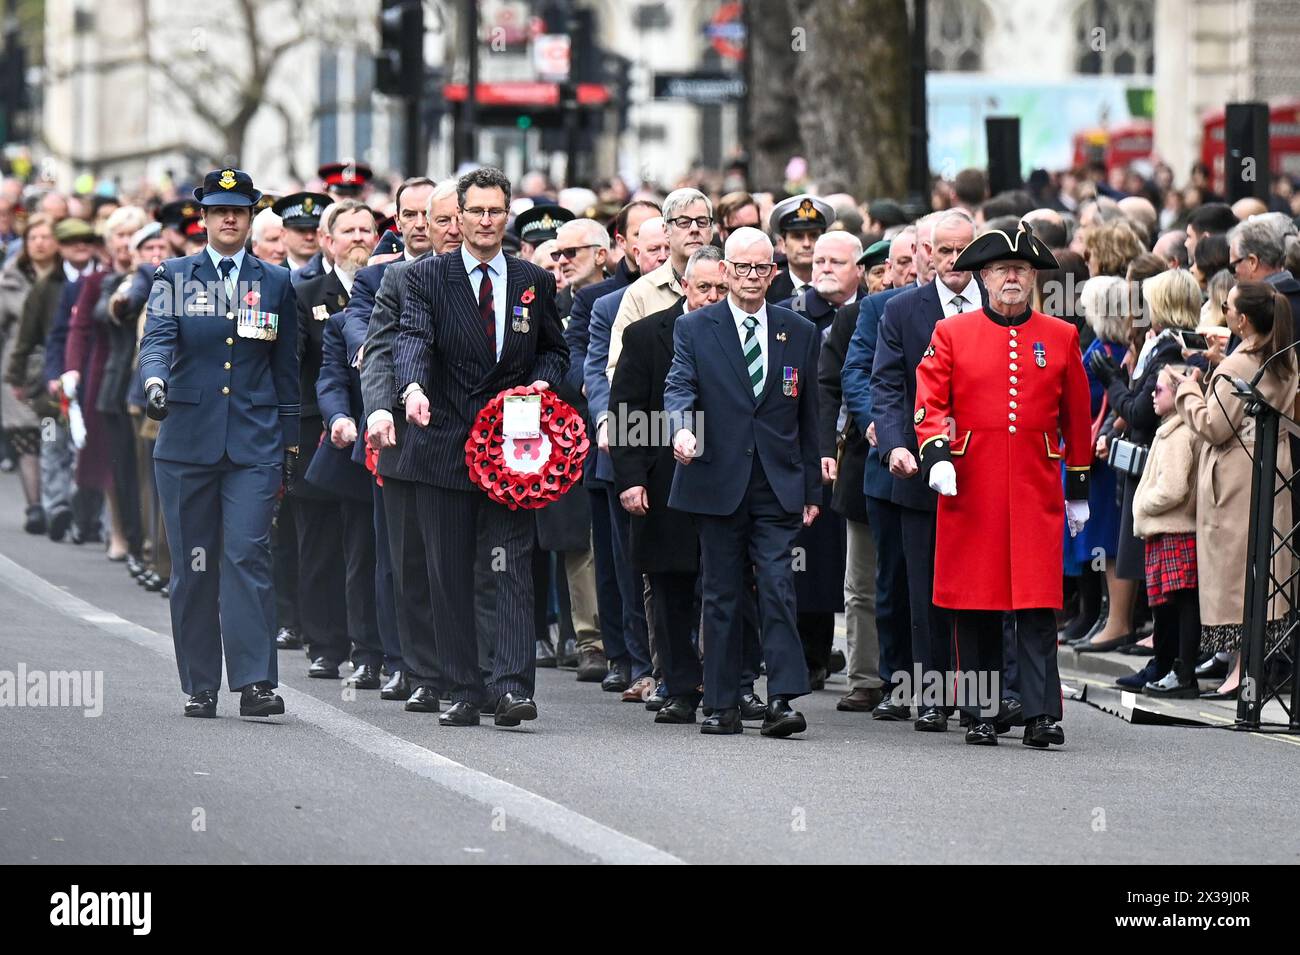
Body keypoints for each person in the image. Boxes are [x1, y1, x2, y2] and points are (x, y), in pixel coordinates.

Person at [394, 166, 567, 728]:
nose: (487, 221)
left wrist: (542, 384)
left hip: (511, 447)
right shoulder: (427, 278)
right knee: (448, 570)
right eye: (477, 212)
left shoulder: (532, 280)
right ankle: (463, 686)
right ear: (458, 218)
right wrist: (413, 388)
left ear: (507, 214)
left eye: (497, 211)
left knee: (511, 564)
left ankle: (512, 686)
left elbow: (554, 350)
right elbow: (413, 339)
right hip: (444, 440)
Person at [914, 222, 1091, 748]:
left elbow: (1077, 416)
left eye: (1021, 270)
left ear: (1033, 278)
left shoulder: (1060, 336)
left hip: (1035, 487)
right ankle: (980, 712)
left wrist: (1077, 486)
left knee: (1037, 604)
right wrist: (936, 456)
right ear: (984, 278)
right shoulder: (952, 333)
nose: (1012, 278)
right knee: (977, 605)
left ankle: (1041, 714)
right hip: (973, 485)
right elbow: (930, 403)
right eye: (1002, 270)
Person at [139, 168, 300, 719]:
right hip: (186, 442)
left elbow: (287, 373)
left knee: (248, 555)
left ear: (252, 217)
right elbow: (157, 340)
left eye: (239, 210)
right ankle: (200, 682)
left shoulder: (276, 282)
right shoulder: (175, 276)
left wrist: (290, 448)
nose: (229, 218)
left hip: (254, 445)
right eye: (218, 210)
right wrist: (155, 381)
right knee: (195, 565)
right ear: (203, 217)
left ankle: (255, 681)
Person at [664, 226, 821, 737]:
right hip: (717, 480)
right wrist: (682, 431)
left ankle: (782, 699)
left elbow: (810, 417)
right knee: (721, 591)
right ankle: (723, 701)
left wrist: (812, 491)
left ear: (773, 273)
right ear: (725, 271)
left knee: (777, 586)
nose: (752, 277)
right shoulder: (694, 328)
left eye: (761, 268)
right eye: (742, 267)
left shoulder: (798, 331)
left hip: (777, 483)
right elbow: (679, 387)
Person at [609, 245, 728, 722]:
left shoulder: (744, 334)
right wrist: (631, 479)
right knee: (669, 587)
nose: (712, 297)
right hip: (663, 480)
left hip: (726, 478)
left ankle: (729, 684)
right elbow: (626, 411)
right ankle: (678, 685)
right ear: (684, 286)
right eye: (704, 288)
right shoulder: (645, 335)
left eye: (721, 288)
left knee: (728, 587)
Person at [871, 209, 979, 732]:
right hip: (919, 472)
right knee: (926, 590)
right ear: (926, 255)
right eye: (944, 251)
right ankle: (932, 694)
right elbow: (887, 388)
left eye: (963, 249)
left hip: (984, 471)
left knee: (983, 587)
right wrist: (894, 445)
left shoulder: (1000, 306)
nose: (954, 261)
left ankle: (987, 696)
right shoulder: (900, 311)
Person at [358, 178, 463, 713]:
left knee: (468, 566)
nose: (439, 228)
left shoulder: (508, 276)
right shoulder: (397, 277)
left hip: (475, 440)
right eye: (431, 219)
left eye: (447, 218)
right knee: (412, 562)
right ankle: (423, 670)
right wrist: (380, 408)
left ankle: (479, 672)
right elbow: (377, 350)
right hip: (410, 437)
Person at [1173, 282, 1297, 699]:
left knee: (1237, 574)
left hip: (1236, 474)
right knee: (1264, 569)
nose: (1222, 312)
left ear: (1242, 320)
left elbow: (1214, 425)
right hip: (1273, 466)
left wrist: (1187, 390)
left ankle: (1242, 675)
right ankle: (1251, 673)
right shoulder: (1284, 354)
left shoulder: (1236, 366)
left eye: (1226, 307)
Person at [1087, 270, 1206, 651]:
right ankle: (1155, 643)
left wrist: (1111, 381)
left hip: (1159, 462)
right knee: (1147, 556)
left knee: (1167, 566)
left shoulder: (1170, 350)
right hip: (1142, 461)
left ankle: (1165, 650)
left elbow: (1140, 410)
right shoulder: (1156, 345)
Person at [293, 198, 382, 683]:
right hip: (318, 434)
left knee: (365, 545)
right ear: (327, 241)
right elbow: (294, 368)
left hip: (371, 431)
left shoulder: (388, 286)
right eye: (347, 230)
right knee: (320, 547)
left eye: (366, 229)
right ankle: (325, 644)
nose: (358, 238)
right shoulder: (305, 294)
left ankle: (366, 643)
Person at [1129, 364, 1202, 697]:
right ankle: (1167, 667)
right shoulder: (1169, 430)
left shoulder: (1179, 434)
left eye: (1158, 390)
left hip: (1174, 527)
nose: (1152, 396)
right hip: (1163, 530)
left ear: (1177, 394)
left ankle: (1181, 672)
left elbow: (1173, 489)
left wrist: (1144, 505)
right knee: (1163, 605)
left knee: (1180, 602)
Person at [606, 187, 712, 380]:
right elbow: (619, 370)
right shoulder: (641, 293)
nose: (694, 229)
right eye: (683, 222)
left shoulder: (731, 284)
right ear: (666, 230)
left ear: (712, 230)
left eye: (702, 222)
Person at [1, 213, 59, 534]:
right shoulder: (9, 280)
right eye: (32, 238)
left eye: (45, 237)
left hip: (52, 369)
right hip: (18, 372)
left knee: (50, 433)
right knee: (25, 438)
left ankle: (54, 502)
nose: (39, 243)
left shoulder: (65, 279)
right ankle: (35, 506)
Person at [765, 194, 834, 303]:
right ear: (782, 244)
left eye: (814, 236)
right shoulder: (766, 292)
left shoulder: (840, 288)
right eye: (797, 236)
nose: (806, 244)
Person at [272, 192, 333, 282]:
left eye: (314, 230)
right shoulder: (271, 277)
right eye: (301, 230)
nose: (309, 237)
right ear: (283, 234)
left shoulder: (335, 274)